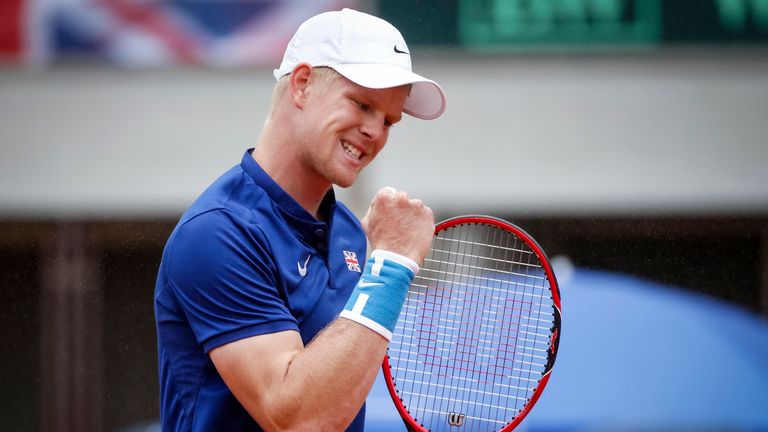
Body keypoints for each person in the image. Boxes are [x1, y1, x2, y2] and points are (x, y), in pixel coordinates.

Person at [153, 8, 447, 432]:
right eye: (362, 104)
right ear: (303, 84)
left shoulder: (349, 231)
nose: (375, 132)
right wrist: (393, 265)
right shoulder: (218, 232)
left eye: (388, 119)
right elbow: (297, 418)